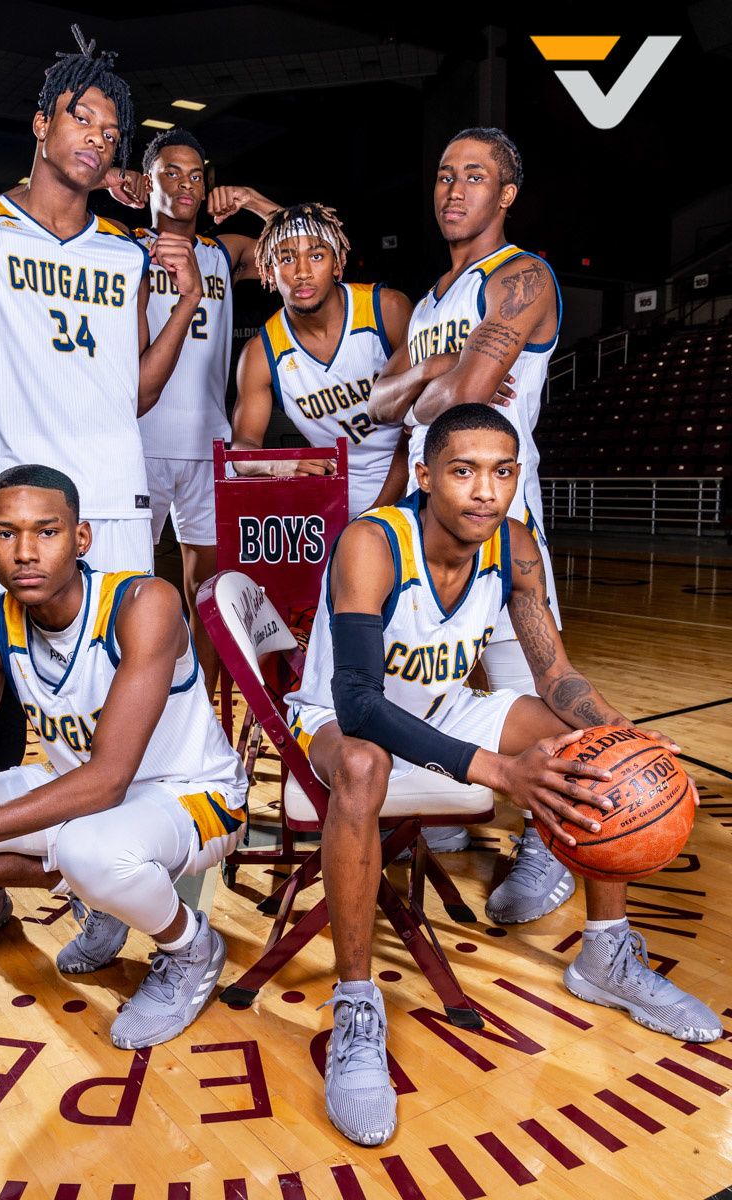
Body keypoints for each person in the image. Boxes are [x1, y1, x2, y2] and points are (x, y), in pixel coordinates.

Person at [285, 404, 720, 1147]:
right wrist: (498, 772)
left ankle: (606, 953)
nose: (485, 490)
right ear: (425, 476)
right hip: (339, 717)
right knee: (361, 765)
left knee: (588, 745)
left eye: (502, 472)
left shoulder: (515, 547)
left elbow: (555, 676)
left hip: (445, 705)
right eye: (463, 471)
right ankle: (356, 1002)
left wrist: (622, 735)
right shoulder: (373, 543)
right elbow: (358, 702)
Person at [0, 465, 247, 1050]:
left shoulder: (143, 603)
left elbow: (109, 780)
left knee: (81, 851)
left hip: (192, 796)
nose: (26, 552)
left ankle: (191, 948)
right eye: (6, 533)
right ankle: (44, 901)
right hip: (78, 793)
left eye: (48, 532)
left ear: (81, 539)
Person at [0, 27, 204, 780]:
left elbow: (136, 393)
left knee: (125, 704)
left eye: (111, 132)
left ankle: (124, 845)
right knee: (3, 698)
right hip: (24, 508)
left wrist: (183, 306)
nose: (98, 139)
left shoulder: (126, 252)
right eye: (83, 118)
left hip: (117, 502)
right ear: (42, 124)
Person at [368, 127, 568, 915]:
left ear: (506, 194)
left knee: (533, 692)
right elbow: (381, 405)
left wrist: (432, 387)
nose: (454, 190)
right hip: (424, 529)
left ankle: (551, 845)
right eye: (446, 175)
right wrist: (437, 369)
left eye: (475, 177)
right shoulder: (429, 302)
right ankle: (441, 814)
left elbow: (461, 402)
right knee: (426, 680)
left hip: (501, 517)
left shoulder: (521, 277)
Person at [133, 127, 279, 692]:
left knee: (208, 594)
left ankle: (202, 715)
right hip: (139, 443)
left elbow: (305, 243)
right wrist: (108, 180)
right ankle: (134, 709)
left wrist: (254, 201)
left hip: (209, 445)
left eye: (196, 175)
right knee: (128, 589)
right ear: (147, 182)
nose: (186, 185)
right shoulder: (125, 248)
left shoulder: (224, 251)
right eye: (170, 173)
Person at [231, 202, 414, 518]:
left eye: (316, 256)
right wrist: (279, 464)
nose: (302, 273)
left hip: (414, 478)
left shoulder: (386, 310)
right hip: (336, 498)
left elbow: (420, 422)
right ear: (268, 271)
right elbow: (241, 451)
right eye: (287, 259)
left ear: (338, 263)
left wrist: (376, 516)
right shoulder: (261, 352)